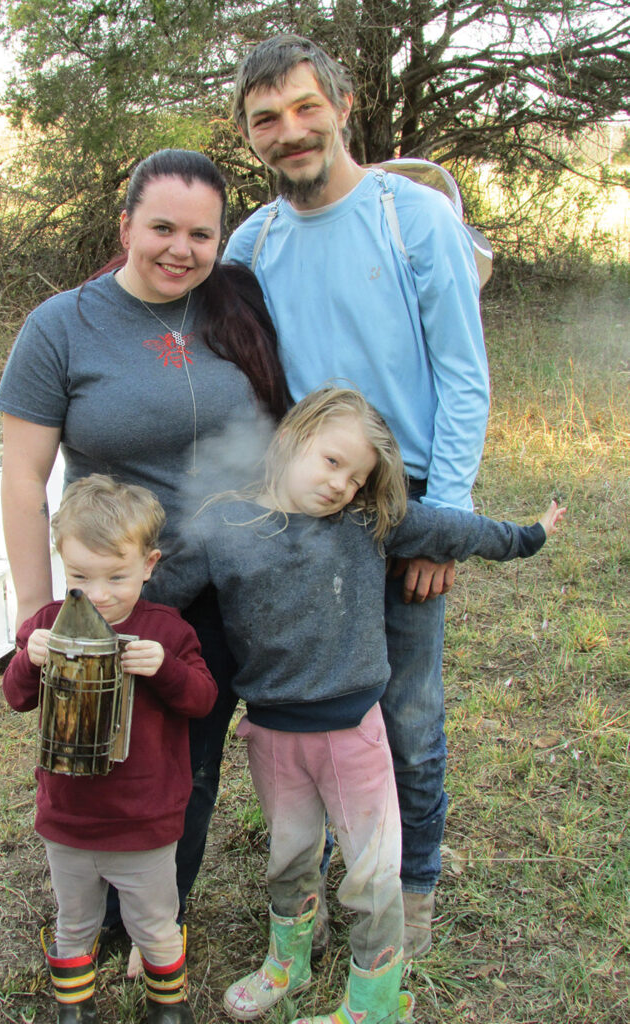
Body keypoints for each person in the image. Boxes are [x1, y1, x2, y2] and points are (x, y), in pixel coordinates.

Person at [145, 386, 565, 1024]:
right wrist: (94, 613)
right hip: (272, 736)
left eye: (358, 475)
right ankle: (288, 962)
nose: (343, 484)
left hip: (353, 737)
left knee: (372, 876)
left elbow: (458, 530)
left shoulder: (370, 525)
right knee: (287, 858)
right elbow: (156, 597)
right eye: (332, 461)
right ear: (291, 440)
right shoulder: (223, 527)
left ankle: (374, 1003)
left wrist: (529, 535)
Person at [223, 33, 491, 957]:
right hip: (305, 505)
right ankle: (339, 868)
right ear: (249, 134)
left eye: (305, 108)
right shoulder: (254, 242)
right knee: (323, 697)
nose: (289, 131)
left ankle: (409, 890)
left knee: (407, 709)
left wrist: (442, 525)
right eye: (267, 118)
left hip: (401, 494)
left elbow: (463, 374)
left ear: (340, 104)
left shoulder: (411, 217)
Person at [0, 149, 290, 951]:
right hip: (123, 594)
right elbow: (23, 478)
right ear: (125, 225)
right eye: (161, 227)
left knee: (192, 760)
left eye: (201, 234)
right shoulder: (63, 326)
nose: (180, 249)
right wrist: (32, 607)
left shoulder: (238, 309)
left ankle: (158, 916)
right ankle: (95, 906)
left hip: (233, 584)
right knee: (109, 756)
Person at [2, 474, 218, 1024]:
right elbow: (16, 698)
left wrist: (163, 668)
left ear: (149, 564)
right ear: (62, 564)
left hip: (143, 820)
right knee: (74, 920)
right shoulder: (51, 624)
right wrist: (29, 657)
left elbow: (203, 699)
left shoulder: (165, 632)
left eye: (116, 576)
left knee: (155, 922)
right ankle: (74, 1008)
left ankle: (169, 1009)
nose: (97, 594)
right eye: (79, 576)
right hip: (69, 818)